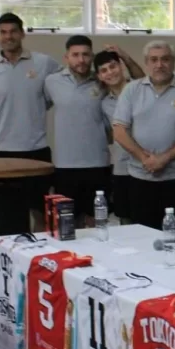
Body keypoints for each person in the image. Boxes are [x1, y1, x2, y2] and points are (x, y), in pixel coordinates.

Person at [0, 12, 60, 225]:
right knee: (2, 214)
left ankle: (41, 248)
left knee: (41, 214)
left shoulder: (44, 63)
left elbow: (64, 88)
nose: (8, 36)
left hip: (35, 150)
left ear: (22, 34)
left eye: (13, 31)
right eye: (3, 32)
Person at [111, 41, 175, 236]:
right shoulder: (132, 90)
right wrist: (145, 159)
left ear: (173, 62)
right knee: (143, 237)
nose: (159, 65)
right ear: (146, 63)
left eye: (165, 59)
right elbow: (119, 131)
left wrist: (164, 159)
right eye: (154, 60)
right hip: (140, 178)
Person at [43, 35, 111, 227]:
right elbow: (39, 107)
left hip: (98, 163)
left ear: (92, 56)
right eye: (75, 55)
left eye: (86, 55)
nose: (81, 60)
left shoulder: (102, 81)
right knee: (68, 224)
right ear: (66, 57)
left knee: (98, 222)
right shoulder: (52, 82)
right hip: (65, 166)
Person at [95, 50, 133, 223]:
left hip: (148, 167)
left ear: (121, 66)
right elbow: (110, 135)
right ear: (100, 77)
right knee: (125, 218)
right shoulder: (105, 104)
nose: (110, 72)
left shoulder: (140, 90)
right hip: (122, 168)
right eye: (104, 70)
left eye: (113, 66)